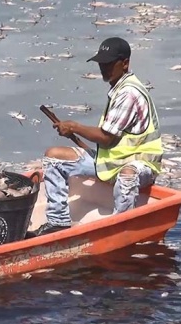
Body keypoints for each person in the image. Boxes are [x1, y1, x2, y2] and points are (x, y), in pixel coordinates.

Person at [31, 37, 163, 236]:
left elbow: (106, 138)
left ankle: (119, 230)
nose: (104, 68)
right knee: (54, 156)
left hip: (138, 165)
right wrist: (73, 130)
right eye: (102, 64)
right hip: (111, 162)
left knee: (127, 174)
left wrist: (74, 127)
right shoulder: (117, 89)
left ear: (125, 63)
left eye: (109, 63)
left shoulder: (129, 93)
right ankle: (58, 220)